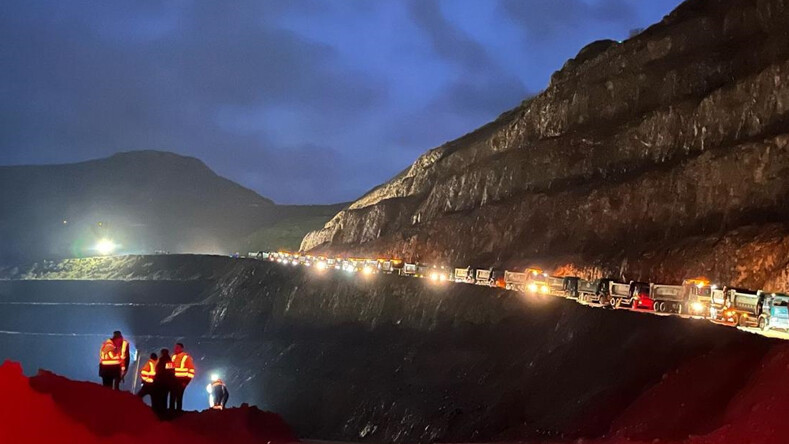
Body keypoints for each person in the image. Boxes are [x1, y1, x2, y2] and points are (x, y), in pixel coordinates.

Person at [170, 342, 195, 412]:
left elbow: (191, 372)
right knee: (172, 397)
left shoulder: (186, 357)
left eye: (177, 347)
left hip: (182, 381)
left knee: (178, 397)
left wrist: (186, 382)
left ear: (181, 348)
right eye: (175, 347)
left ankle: (178, 411)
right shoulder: (173, 357)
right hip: (173, 380)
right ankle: (172, 411)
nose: (175, 349)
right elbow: (169, 368)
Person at [152, 349, 175, 417]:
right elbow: (171, 372)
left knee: (160, 398)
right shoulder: (169, 361)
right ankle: (163, 412)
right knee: (164, 398)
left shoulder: (161, 360)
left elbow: (159, 371)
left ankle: (160, 413)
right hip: (166, 383)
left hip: (161, 383)